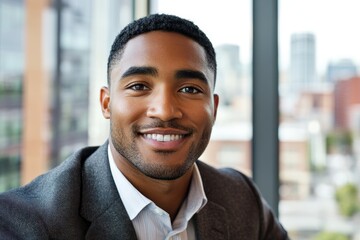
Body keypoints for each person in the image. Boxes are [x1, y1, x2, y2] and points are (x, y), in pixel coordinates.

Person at [0, 14, 288, 239]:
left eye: (189, 89)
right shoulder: (26, 222)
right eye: (138, 86)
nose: (164, 111)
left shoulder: (241, 199)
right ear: (106, 103)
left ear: (213, 107)